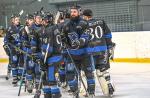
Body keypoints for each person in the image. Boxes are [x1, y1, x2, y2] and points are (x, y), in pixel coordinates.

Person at [62, 6, 95, 97]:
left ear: (79, 12)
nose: (72, 13)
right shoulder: (66, 25)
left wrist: (79, 42)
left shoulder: (84, 23)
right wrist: (63, 40)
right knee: (70, 75)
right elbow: (64, 40)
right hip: (72, 55)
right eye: (71, 11)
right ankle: (75, 91)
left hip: (84, 54)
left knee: (89, 74)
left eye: (74, 12)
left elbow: (86, 36)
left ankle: (91, 92)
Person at [82, 9, 115, 96]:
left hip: (90, 51)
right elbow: (108, 34)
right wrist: (109, 46)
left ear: (85, 16)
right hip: (103, 50)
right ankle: (108, 89)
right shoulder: (101, 21)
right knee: (103, 70)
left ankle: (88, 91)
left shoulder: (83, 24)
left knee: (88, 72)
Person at [37, 12, 63, 98]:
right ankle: (48, 95)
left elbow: (48, 48)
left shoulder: (48, 30)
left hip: (53, 57)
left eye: (43, 19)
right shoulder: (54, 28)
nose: (42, 21)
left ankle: (56, 95)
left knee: (51, 79)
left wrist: (42, 61)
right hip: (55, 56)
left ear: (47, 20)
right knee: (46, 80)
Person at [4, 14, 25, 86]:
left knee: (21, 63)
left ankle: (20, 77)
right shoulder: (9, 29)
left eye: (18, 19)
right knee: (14, 63)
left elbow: (25, 38)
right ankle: (15, 78)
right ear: (13, 20)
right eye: (16, 20)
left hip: (21, 49)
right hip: (14, 49)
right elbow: (6, 40)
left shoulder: (23, 27)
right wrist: (9, 47)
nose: (18, 21)